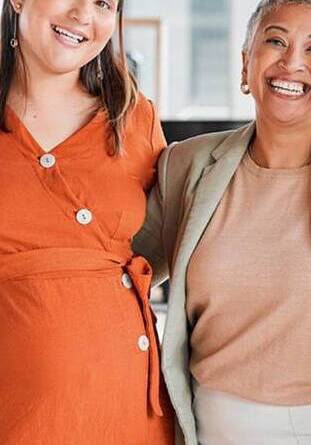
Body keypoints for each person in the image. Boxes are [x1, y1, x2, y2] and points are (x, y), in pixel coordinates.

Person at [133, 0, 311, 444]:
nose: (292, 62)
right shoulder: (184, 165)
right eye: (275, 41)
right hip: (210, 425)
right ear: (246, 64)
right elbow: (121, 271)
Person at [0, 0, 174, 444]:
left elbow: (172, 238)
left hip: (127, 410)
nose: (83, 13)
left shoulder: (135, 120)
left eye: (103, 3)